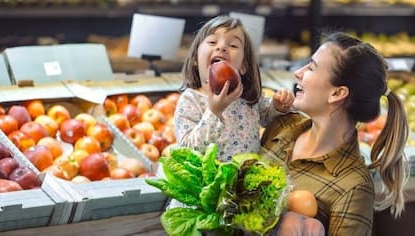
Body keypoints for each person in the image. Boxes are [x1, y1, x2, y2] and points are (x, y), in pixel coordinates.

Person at [261, 31, 409, 235]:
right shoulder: (282, 126)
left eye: (311, 67)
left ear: (337, 93)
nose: (299, 73)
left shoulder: (353, 188)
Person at [174, 15, 294, 162]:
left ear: (244, 66)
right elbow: (188, 151)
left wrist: (278, 106)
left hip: (248, 179)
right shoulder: (190, 101)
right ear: (194, 60)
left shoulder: (249, 97)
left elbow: (269, 118)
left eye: (233, 45)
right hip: (208, 183)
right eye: (212, 42)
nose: (221, 47)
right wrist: (214, 112)